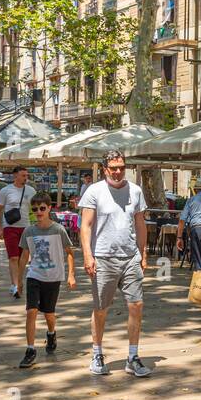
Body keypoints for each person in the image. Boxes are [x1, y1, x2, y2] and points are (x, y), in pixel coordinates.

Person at [79, 150, 150, 377]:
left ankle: (133, 356)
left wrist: (143, 253)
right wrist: (88, 256)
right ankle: (97, 354)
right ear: (105, 169)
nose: (118, 171)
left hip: (130, 257)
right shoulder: (94, 191)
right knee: (101, 309)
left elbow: (140, 224)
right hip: (103, 258)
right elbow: (86, 226)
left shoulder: (136, 191)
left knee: (136, 305)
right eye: (113, 168)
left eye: (121, 167)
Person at [18, 196, 76, 369]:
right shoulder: (29, 231)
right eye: (34, 209)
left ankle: (51, 333)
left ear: (49, 208)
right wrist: (19, 280)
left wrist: (71, 275)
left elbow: (70, 252)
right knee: (31, 311)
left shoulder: (58, 230)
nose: (38, 212)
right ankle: (30, 349)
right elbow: (24, 256)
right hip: (34, 275)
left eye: (42, 208)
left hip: (53, 276)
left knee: (49, 313)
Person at [0, 166, 36, 299]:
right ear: (15, 176)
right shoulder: (5, 191)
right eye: (23, 175)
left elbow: (36, 208)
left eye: (26, 175)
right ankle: (15, 285)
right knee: (13, 257)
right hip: (10, 227)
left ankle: (19, 280)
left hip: (26, 227)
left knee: (23, 258)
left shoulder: (31, 190)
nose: (26, 178)